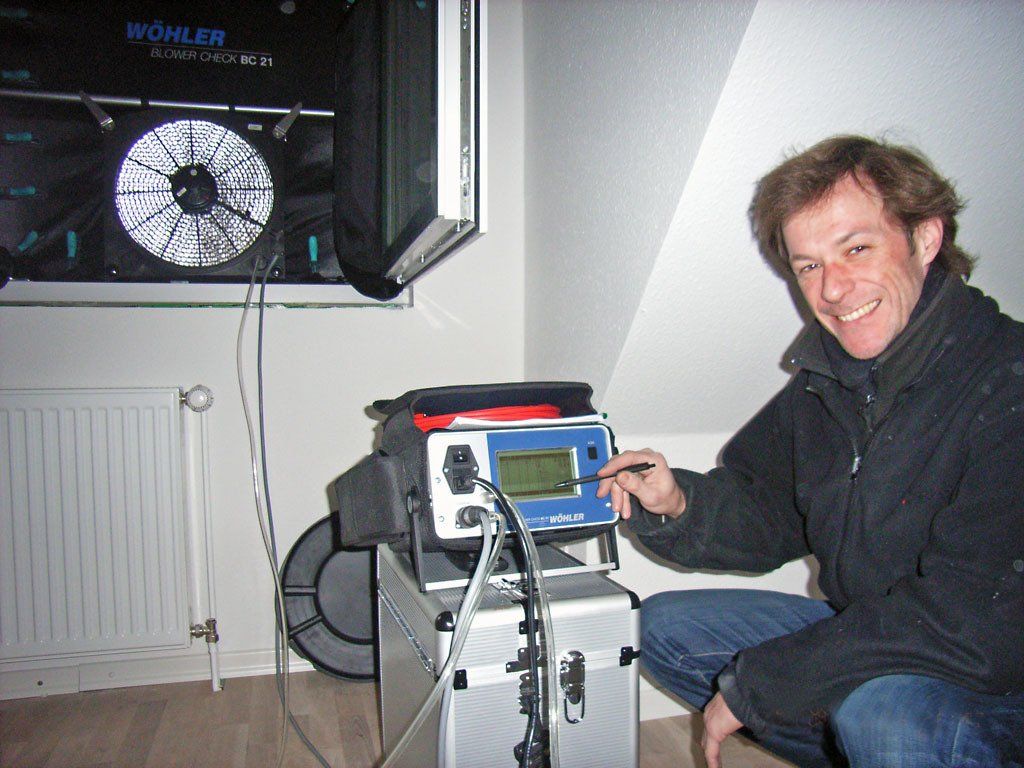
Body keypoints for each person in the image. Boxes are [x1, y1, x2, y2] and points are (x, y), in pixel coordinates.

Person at [597, 136, 1024, 768]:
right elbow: (771, 510)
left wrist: (774, 683)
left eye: (856, 249)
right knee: (664, 628)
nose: (834, 289)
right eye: (808, 266)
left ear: (926, 239)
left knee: (881, 715)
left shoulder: (1008, 381)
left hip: (998, 670)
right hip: (886, 636)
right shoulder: (828, 382)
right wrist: (678, 502)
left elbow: (976, 620)